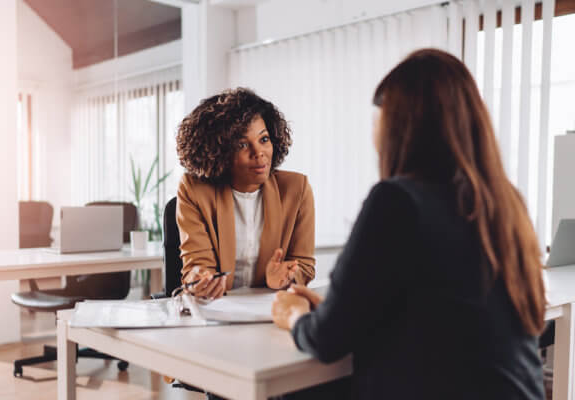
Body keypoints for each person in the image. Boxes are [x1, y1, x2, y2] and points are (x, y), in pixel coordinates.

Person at [272, 49, 546, 399]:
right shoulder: (506, 201)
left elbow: (327, 340)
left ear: (401, 125)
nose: (374, 130)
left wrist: (295, 316)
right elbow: (435, 313)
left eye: (379, 117)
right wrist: (332, 310)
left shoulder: (396, 201)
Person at [175, 88, 315, 299]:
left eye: (264, 139)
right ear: (218, 151)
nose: (258, 152)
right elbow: (196, 264)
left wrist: (287, 277)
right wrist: (200, 278)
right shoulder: (194, 190)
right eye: (242, 144)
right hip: (217, 310)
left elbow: (304, 265)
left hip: (269, 312)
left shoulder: (296, 189)